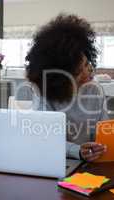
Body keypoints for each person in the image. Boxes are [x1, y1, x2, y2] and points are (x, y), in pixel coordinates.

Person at [26, 14, 107, 162]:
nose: (89, 72)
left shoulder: (95, 90)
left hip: (91, 163)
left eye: (87, 64)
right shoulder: (43, 93)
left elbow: (105, 132)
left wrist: (99, 146)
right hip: (52, 161)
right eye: (78, 71)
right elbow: (45, 138)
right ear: (61, 78)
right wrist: (77, 151)